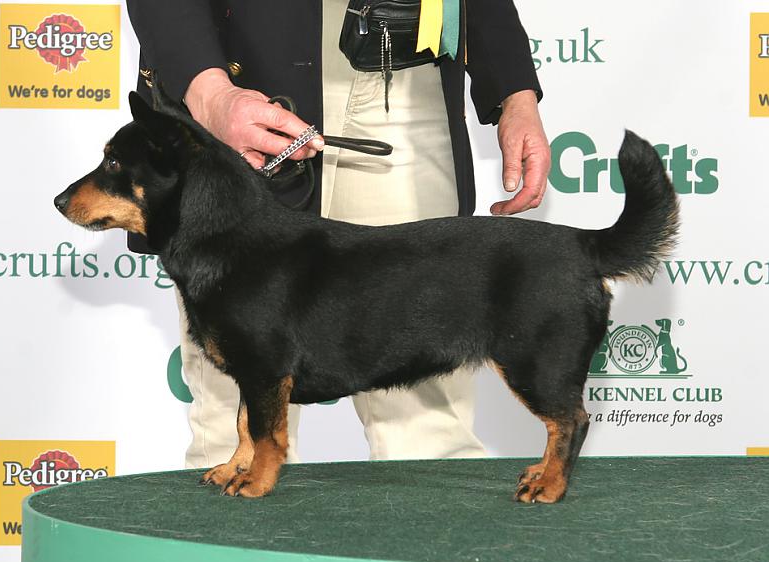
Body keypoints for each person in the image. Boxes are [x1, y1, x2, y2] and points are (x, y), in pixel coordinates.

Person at [126, 1, 551, 468]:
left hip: (407, 73)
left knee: (428, 423)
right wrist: (209, 92)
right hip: (239, 77)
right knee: (231, 423)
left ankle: (433, 538)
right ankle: (232, 539)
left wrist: (514, 91)